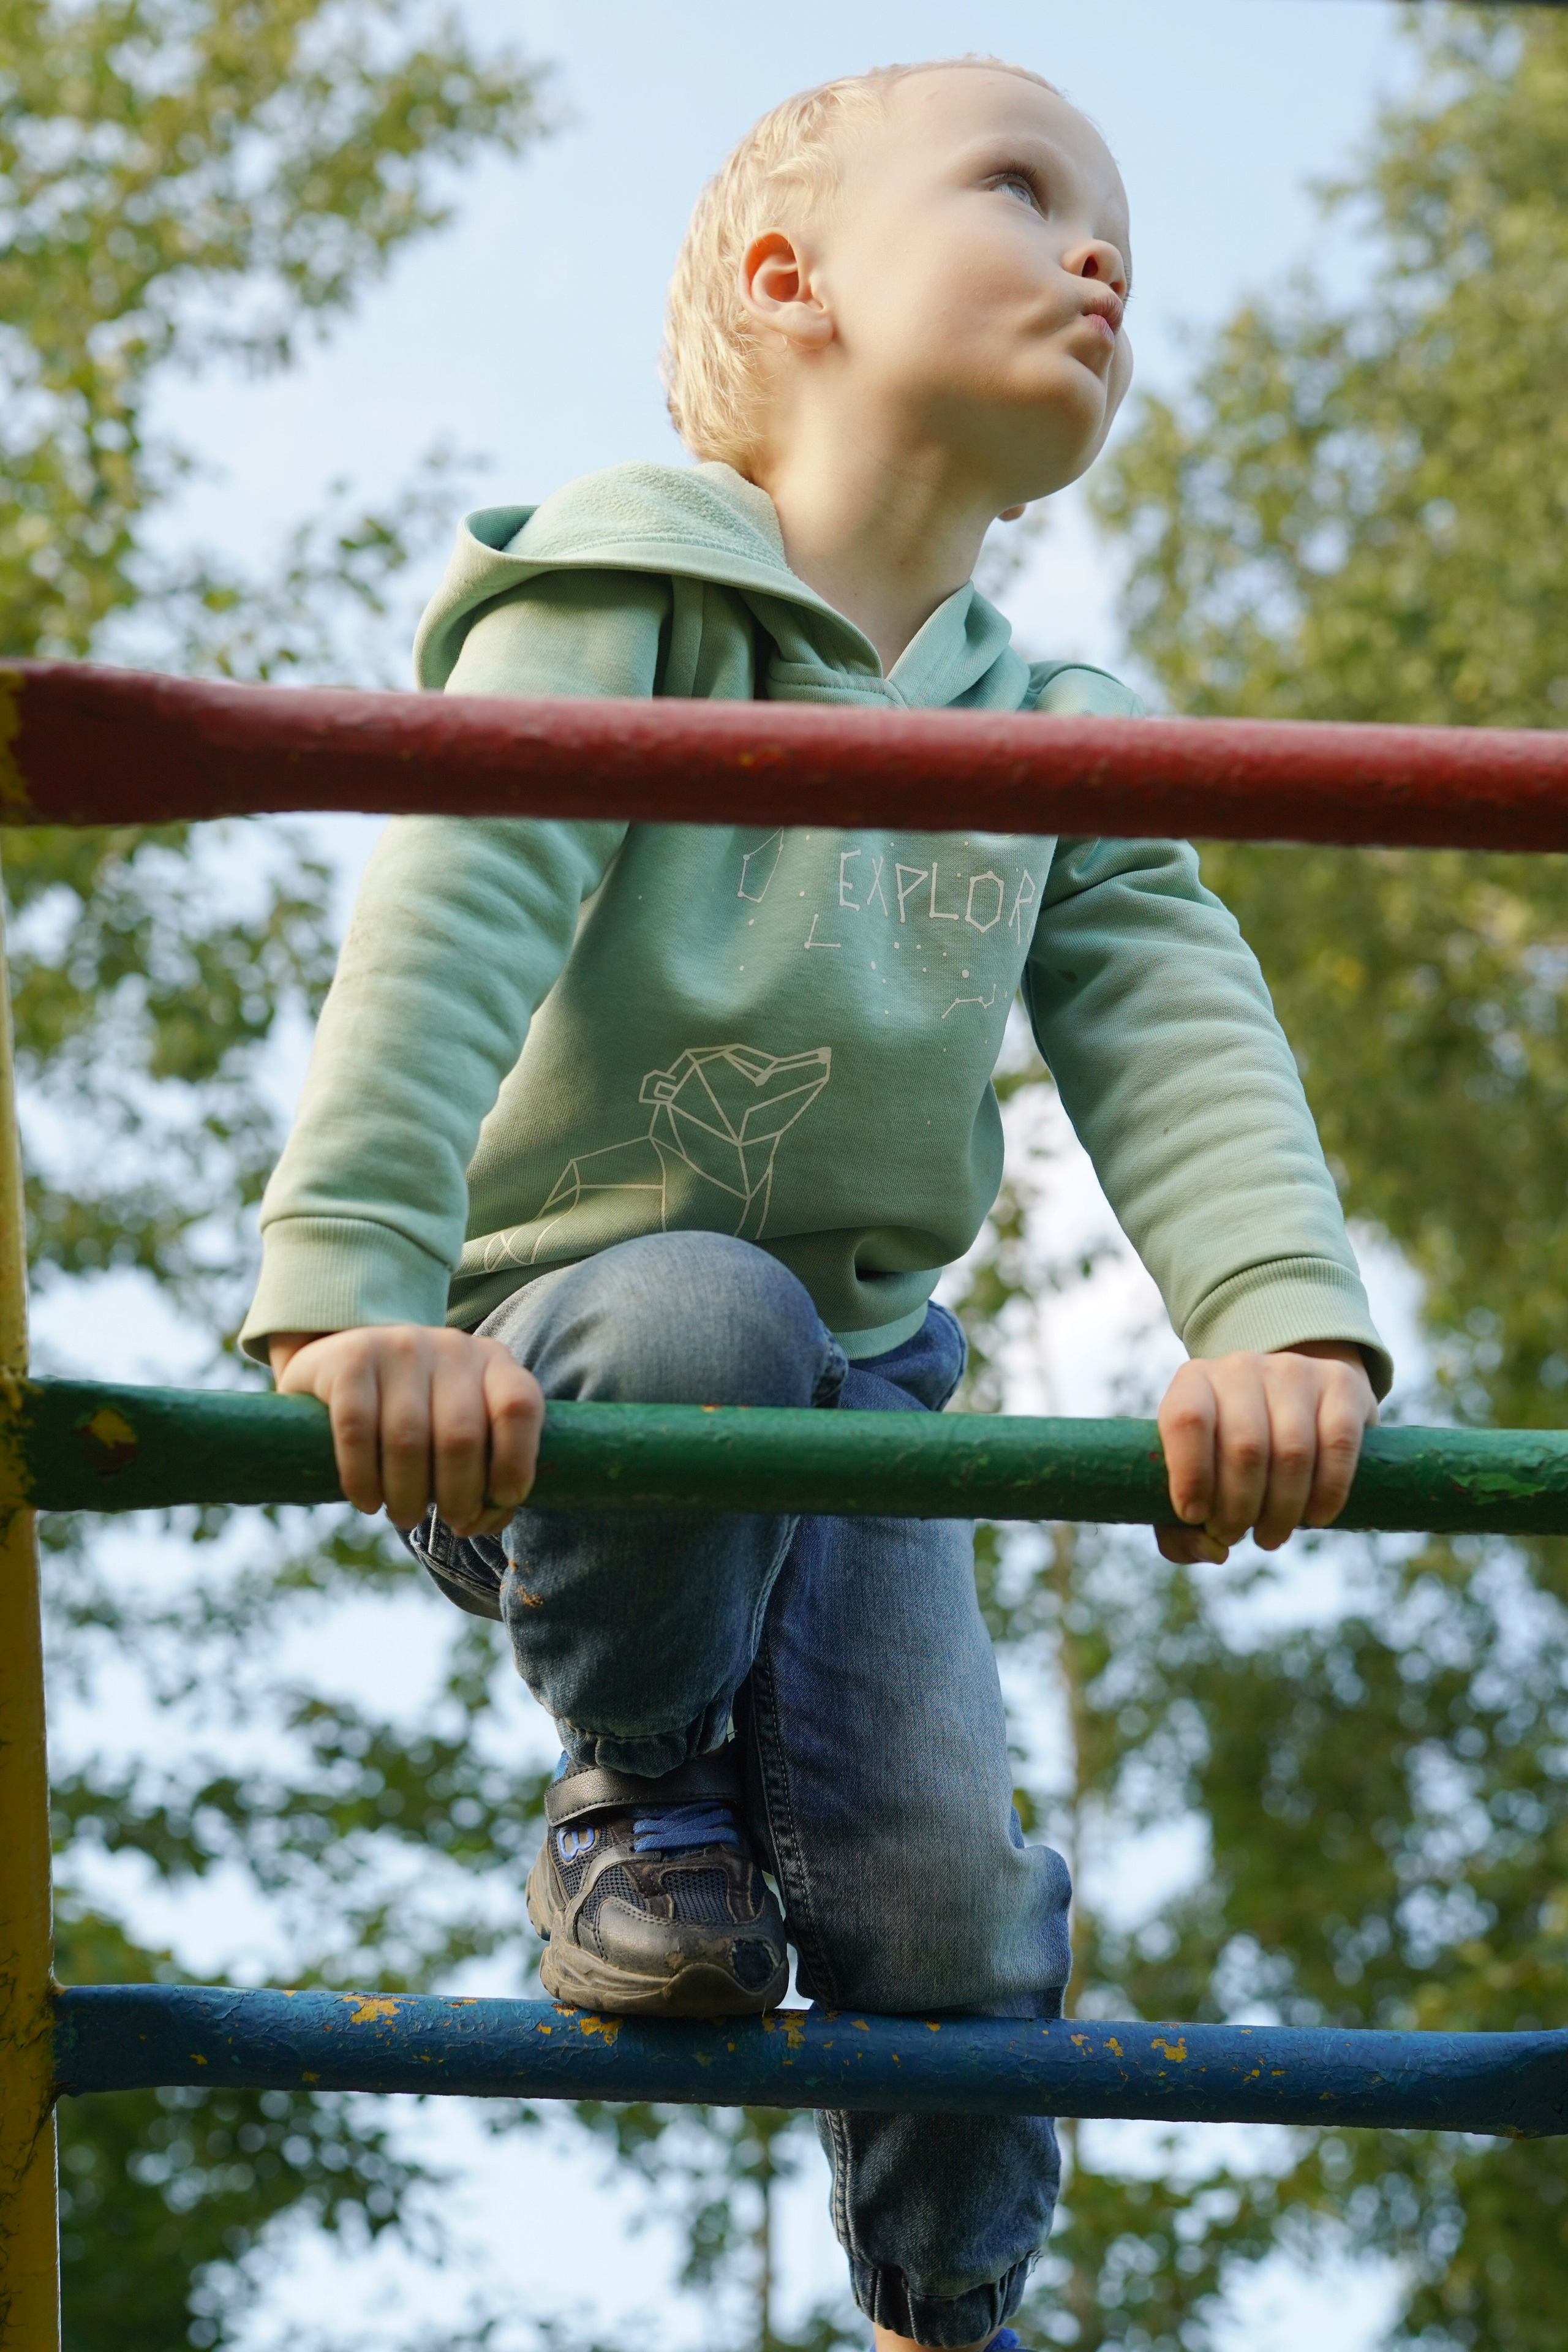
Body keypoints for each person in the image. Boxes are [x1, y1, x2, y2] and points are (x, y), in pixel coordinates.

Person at [240, 57, 1389, 2352]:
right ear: (792, 282)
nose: (1101, 253)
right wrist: (351, 1284)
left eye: (1118, 227)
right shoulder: (628, 590)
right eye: (1022, 189)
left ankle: (946, 2303)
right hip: (549, 1373)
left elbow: (1176, 1021)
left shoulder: (1054, 729)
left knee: (948, 1889)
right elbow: (456, 913)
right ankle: (637, 1794)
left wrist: (1278, 1321)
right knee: (698, 1308)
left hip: (859, 1395)